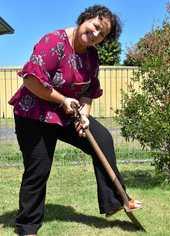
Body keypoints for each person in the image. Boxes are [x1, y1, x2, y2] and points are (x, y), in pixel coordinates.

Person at [9, 5, 141, 236]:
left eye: (102, 35)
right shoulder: (54, 42)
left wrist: (85, 116)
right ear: (87, 18)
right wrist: (62, 99)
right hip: (33, 114)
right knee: (38, 169)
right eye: (96, 27)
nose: (96, 35)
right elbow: (31, 80)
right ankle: (27, 227)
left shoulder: (91, 55)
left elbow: (89, 90)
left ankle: (116, 200)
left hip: (66, 113)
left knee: (101, 139)